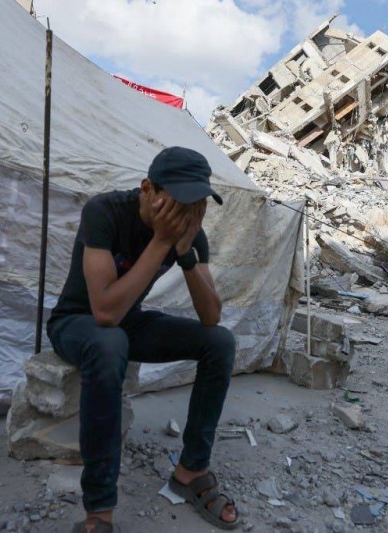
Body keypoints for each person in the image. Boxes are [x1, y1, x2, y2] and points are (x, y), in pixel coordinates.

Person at [47, 147, 240, 532]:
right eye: (179, 201)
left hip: (128, 322)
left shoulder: (189, 233)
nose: (188, 212)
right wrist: (161, 242)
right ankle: (99, 511)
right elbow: (104, 313)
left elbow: (211, 316)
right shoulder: (104, 212)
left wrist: (185, 255)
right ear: (148, 189)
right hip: (77, 321)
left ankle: (191, 470)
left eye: (198, 204)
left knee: (220, 342)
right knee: (109, 342)